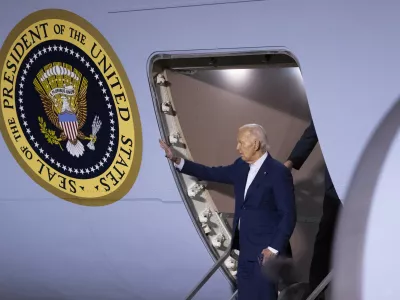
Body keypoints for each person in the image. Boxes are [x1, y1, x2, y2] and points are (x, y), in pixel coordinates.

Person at [159, 124, 297, 300]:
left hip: (265, 254)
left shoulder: (278, 173)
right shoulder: (241, 166)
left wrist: (273, 248)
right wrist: (179, 161)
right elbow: (211, 173)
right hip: (244, 249)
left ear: (255, 144)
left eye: (241, 143)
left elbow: (289, 215)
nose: (237, 148)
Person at [284, 120, 342, 299]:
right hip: (339, 174)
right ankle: (317, 293)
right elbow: (316, 127)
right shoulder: (334, 98)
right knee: (327, 232)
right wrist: (290, 163)